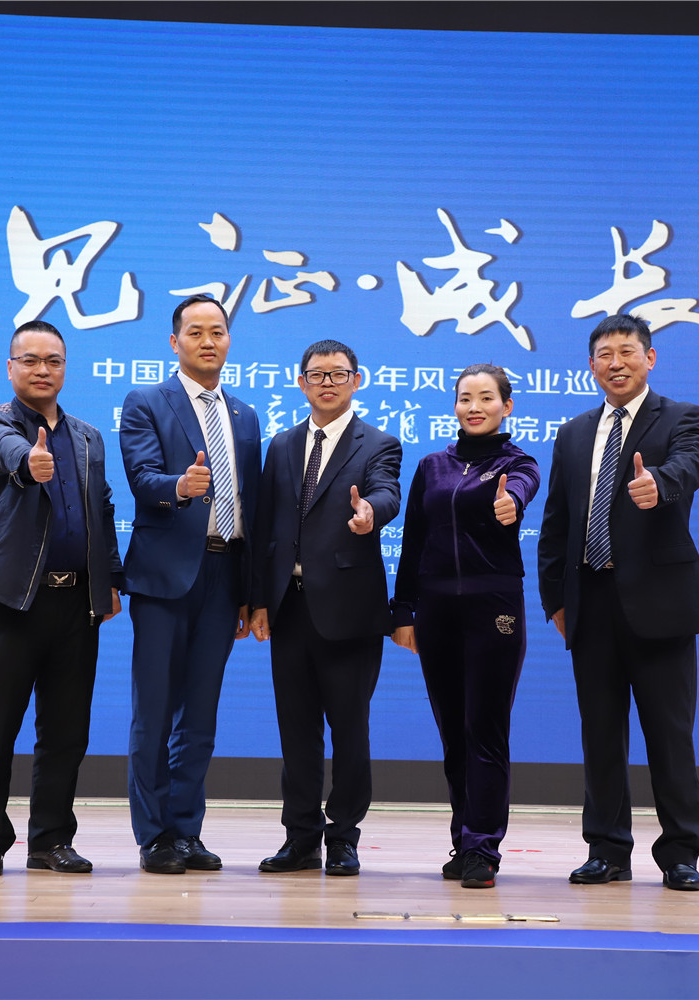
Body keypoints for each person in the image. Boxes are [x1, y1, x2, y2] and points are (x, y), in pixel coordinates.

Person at [537, 313, 699, 892]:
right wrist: (555, 598)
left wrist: (660, 483)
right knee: (600, 734)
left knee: (670, 734)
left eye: (627, 352)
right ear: (591, 365)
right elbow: (557, 521)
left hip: (660, 603)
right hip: (590, 601)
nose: (615, 363)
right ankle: (607, 849)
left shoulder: (683, 417)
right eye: (604, 355)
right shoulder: (573, 432)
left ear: (650, 358)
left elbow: (691, 465)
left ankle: (681, 853)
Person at [0, 320, 125, 878]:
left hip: (77, 604)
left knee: (66, 731)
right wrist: (29, 464)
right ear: (11, 368)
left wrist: (110, 580)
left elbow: (101, 508)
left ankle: (51, 841)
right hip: (13, 601)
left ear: (64, 368)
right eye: (30, 360)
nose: (42, 370)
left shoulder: (88, 436)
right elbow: (5, 452)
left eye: (53, 361)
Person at [118, 293, 261, 874]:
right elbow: (141, 477)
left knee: (200, 717)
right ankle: (154, 835)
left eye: (217, 331)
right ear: (174, 342)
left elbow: (252, 506)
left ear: (229, 340)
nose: (208, 341)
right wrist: (180, 486)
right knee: (154, 713)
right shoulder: (146, 401)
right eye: (195, 331)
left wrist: (250, 593)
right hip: (164, 577)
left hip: (224, 575)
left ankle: (186, 831)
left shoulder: (245, 415)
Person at [248, 340, 401, 877]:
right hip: (288, 608)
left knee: (349, 729)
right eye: (317, 375)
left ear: (357, 380)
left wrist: (370, 513)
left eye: (338, 374)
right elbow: (265, 525)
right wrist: (259, 600)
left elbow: (387, 493)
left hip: (349, 611)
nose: (328, 383)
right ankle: (300, 838)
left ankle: (343, 837)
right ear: (301, 382)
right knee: (296, 731)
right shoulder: (282, 445)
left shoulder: (378, 443)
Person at [389, 364, 540, 889]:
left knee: (485, 728)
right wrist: (402, 610)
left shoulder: (517, 463)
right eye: (465, 398)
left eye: (486, 397)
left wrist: (511, 501)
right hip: (435, 610)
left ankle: (483, 847)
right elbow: (414, 540)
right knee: (453, 732)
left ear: (506, 406)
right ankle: (464, 839)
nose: (474, 407)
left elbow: (523, 487)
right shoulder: (432, 466)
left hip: (493, 608)